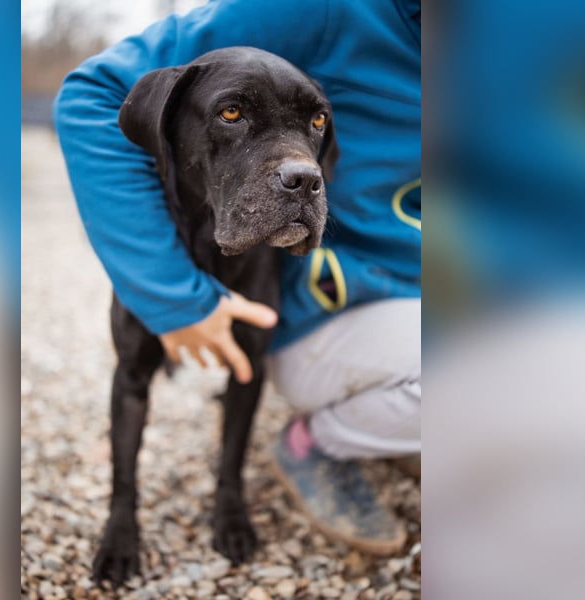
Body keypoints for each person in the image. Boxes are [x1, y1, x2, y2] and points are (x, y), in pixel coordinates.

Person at [55, 0, 420, 554]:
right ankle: (122, 510)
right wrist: (171, 297)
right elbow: (93, 93)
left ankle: (231, 492)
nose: (303, 168)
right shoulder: (330, 11)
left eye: (313, 125)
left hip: (337, 291)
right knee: (136, 372)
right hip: (204, 260)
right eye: (233, 114)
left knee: (245, 373)